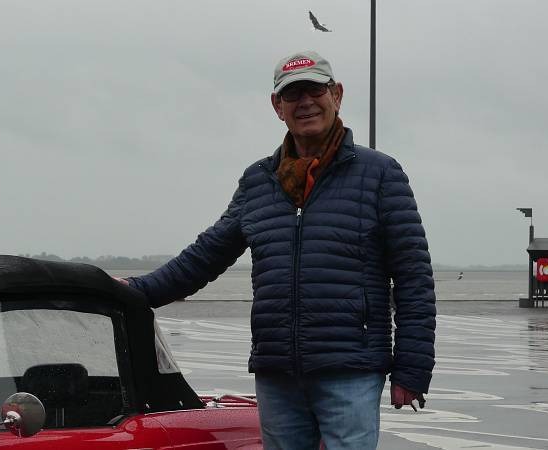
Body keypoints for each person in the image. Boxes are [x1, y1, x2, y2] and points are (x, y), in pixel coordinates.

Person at [119, 50, 436, 450]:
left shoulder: (380, 174)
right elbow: (206, 255)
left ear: (337, 95)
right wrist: (133, 291)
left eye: (315, 90)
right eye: (292, 94)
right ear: (277, 106)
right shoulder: (259, 180)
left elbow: (413, 278)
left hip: (350, 369)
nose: (305, 102)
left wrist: (412, 369)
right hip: (277, 371)